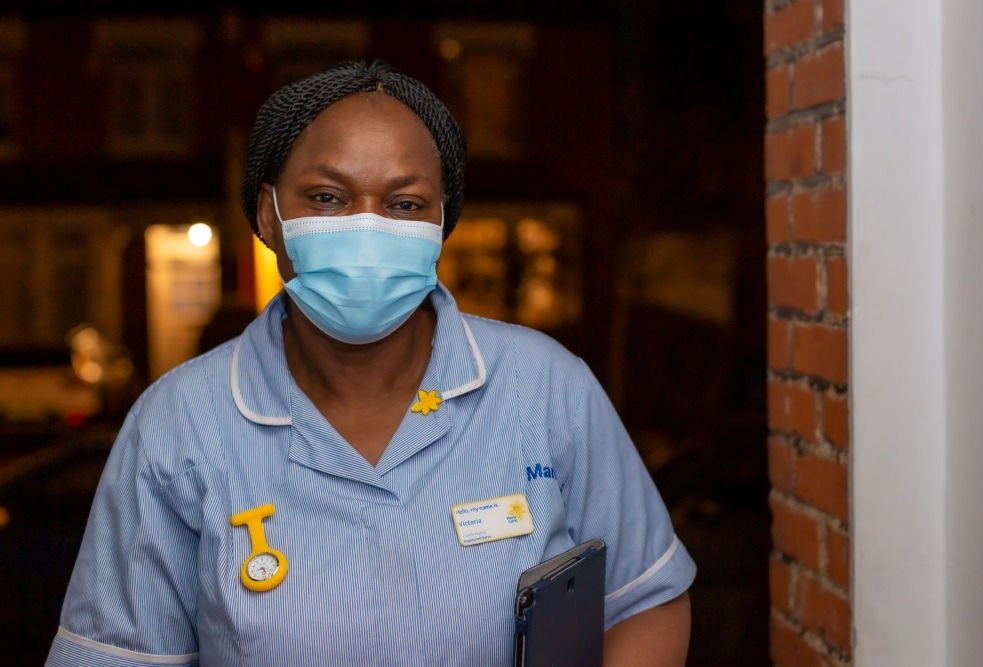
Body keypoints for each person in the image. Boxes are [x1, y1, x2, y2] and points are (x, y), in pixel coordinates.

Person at [46, 60, 695, 667]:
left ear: (443, 223)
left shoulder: (544, 388)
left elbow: (646, 597)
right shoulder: (183, 424)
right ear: (267, 216)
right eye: (326, 197)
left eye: (405, 204)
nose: (366, 227)